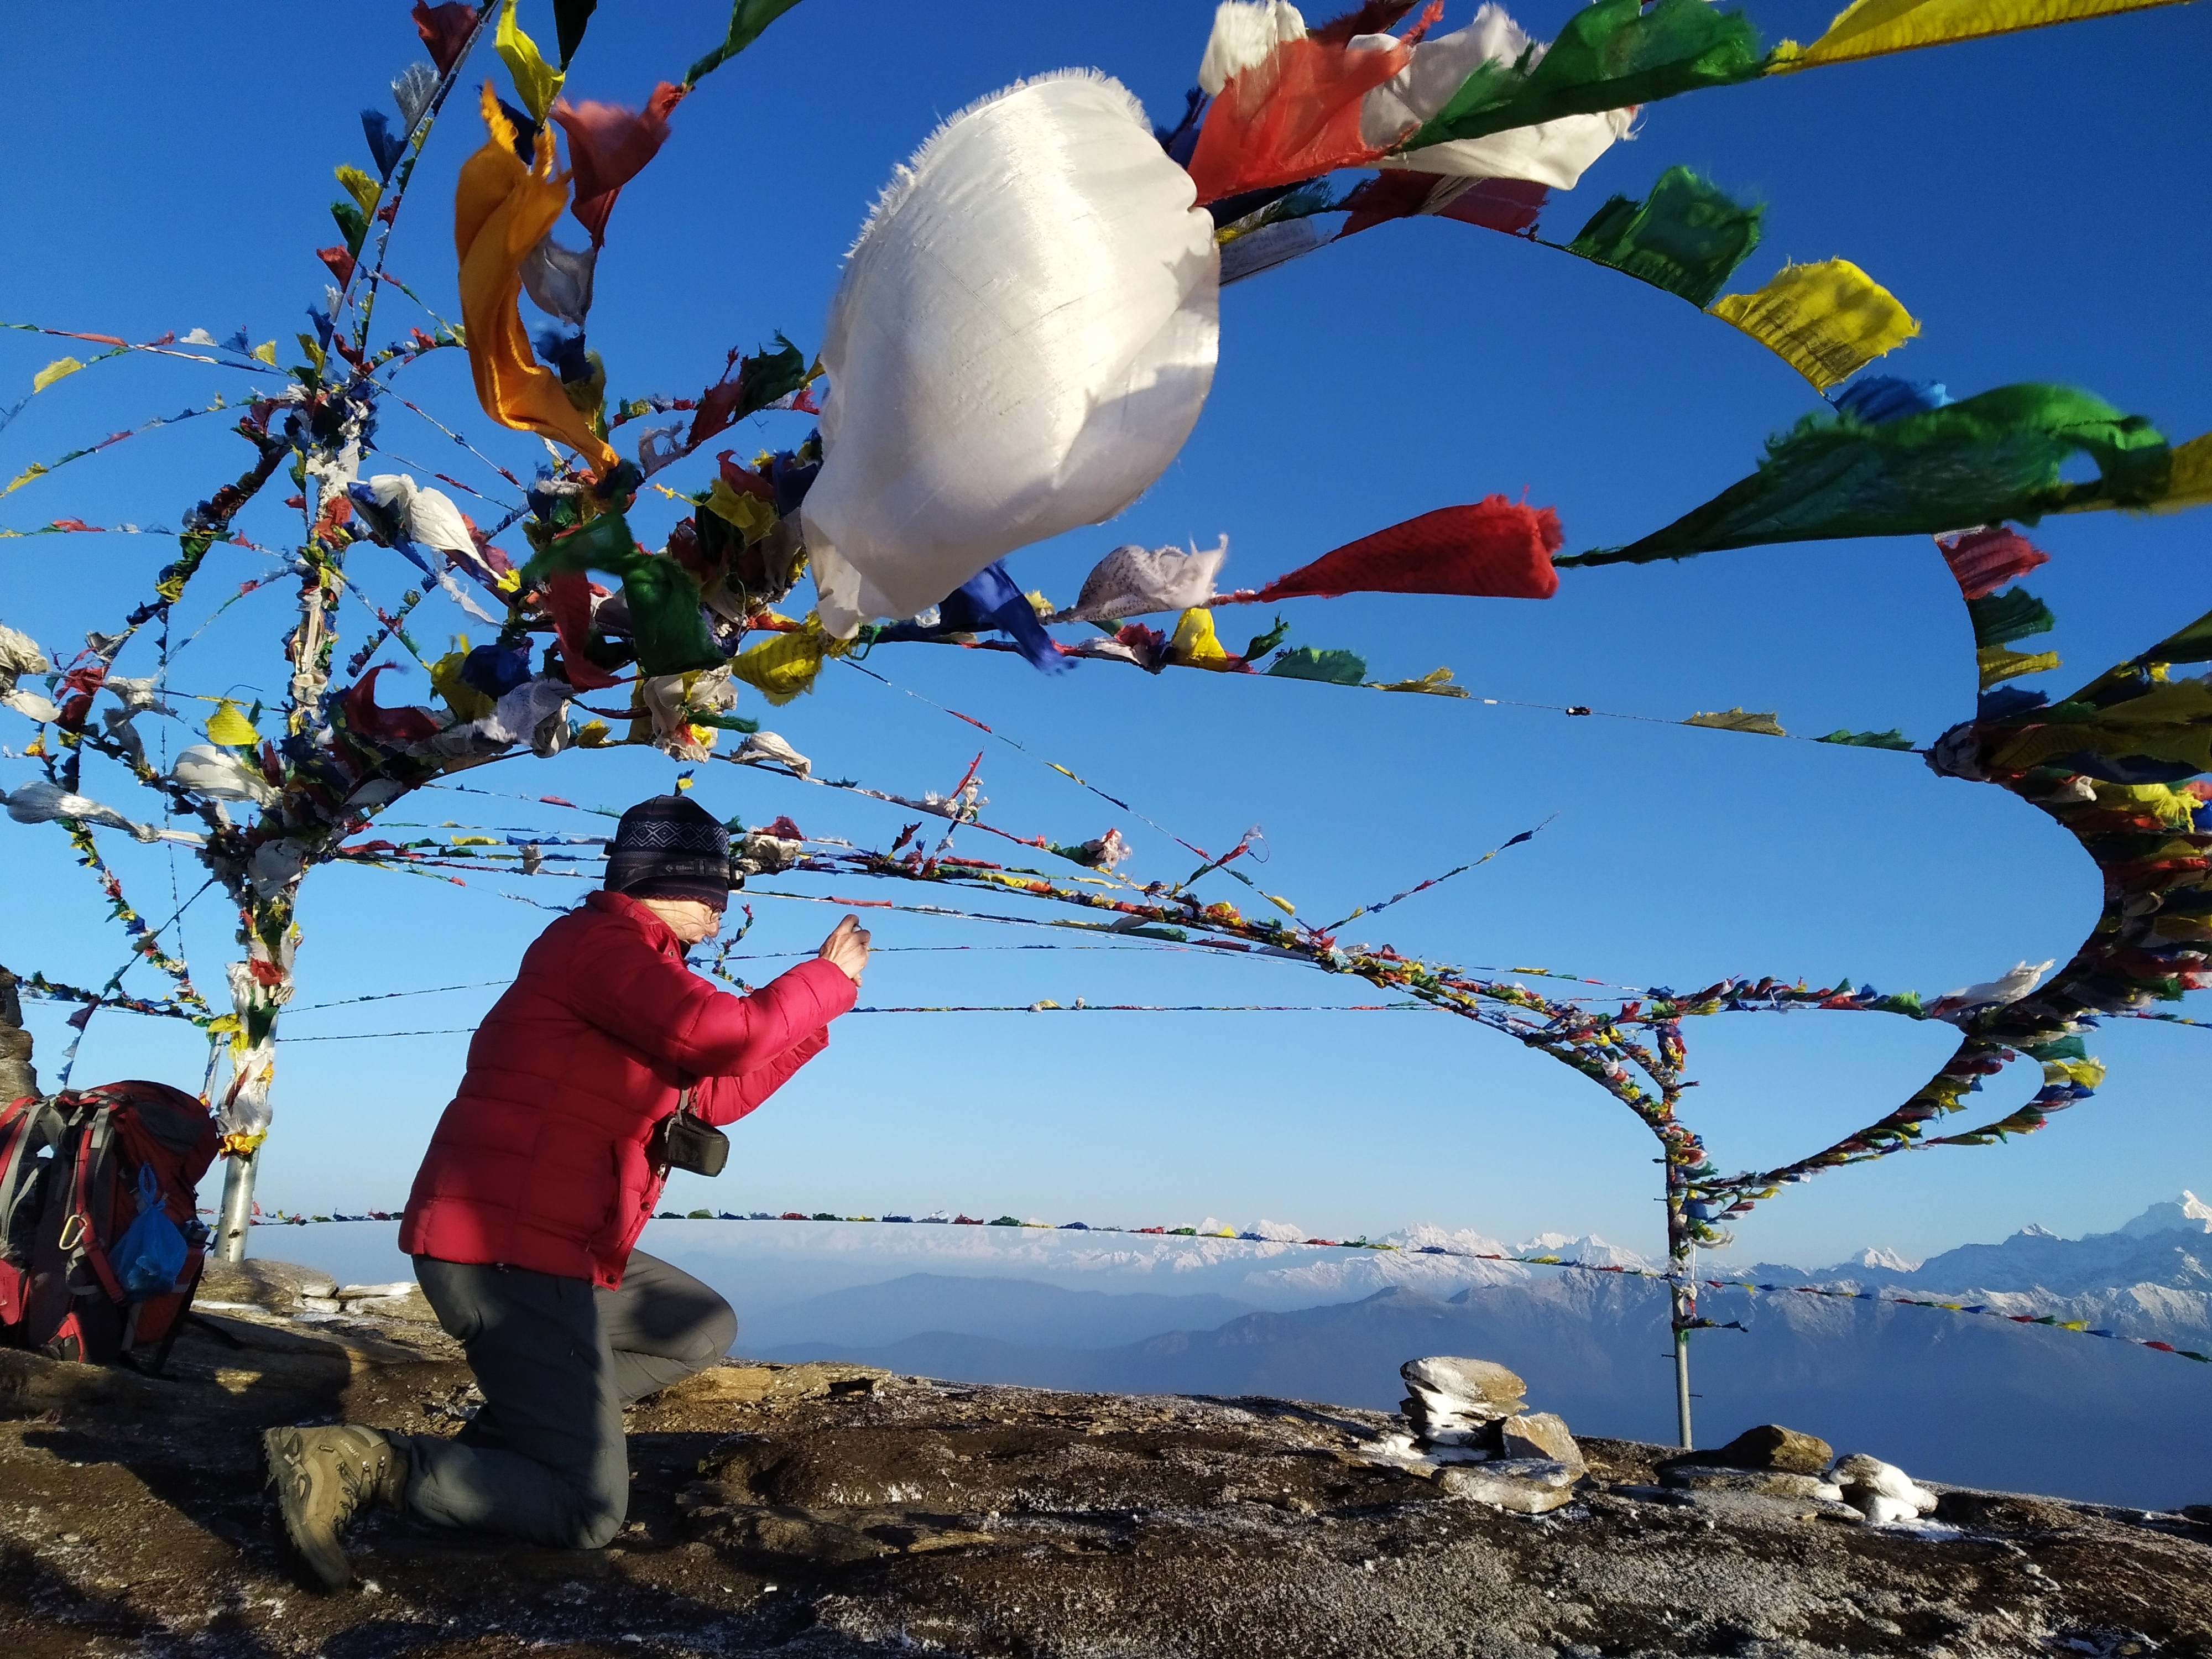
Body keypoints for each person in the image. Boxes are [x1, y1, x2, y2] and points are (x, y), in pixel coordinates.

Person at [262, 793, 869, 1588]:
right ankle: (367, 1463)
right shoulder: (599, 945)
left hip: (555, 1245)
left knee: (698, 1324)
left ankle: (507, 1444)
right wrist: (822, 981)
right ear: (674, 883)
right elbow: (723, 1036)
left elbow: (715, 1094)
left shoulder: (643, 975)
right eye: (714, 895)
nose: (721, 915)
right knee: (586, 1512)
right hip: (507, 1251)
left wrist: (815, 1022)